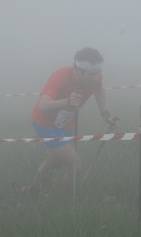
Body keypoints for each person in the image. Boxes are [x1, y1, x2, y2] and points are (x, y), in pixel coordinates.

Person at [22, 47, 118, 195]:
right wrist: (67, 101)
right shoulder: (60, 76)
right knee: (75, 165)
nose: (96, 77)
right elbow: (43, 105)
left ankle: (33, 191)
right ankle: (68, 202)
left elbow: (99, 90)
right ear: (78, 70)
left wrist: (106, 115)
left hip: (67, 123)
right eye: (91, 74)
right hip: (45, 123)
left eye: (98, 73)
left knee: (54, 162)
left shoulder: (96, 77)